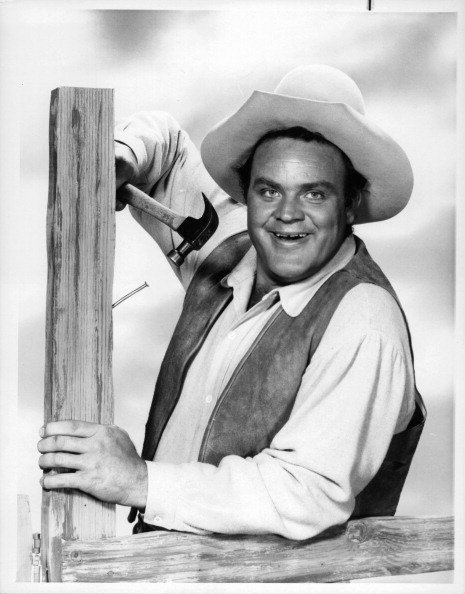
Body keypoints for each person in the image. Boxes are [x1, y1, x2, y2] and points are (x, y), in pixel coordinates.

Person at [38, 65, 426, 540]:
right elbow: (166, 146)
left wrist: (140, 479)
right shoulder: (233, 249)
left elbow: (306, 491)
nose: (287, 213)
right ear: (246, 195)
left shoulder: (364, 321)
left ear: (349, 206)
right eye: (269, 190)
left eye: (314, 193)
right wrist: (119, 161)